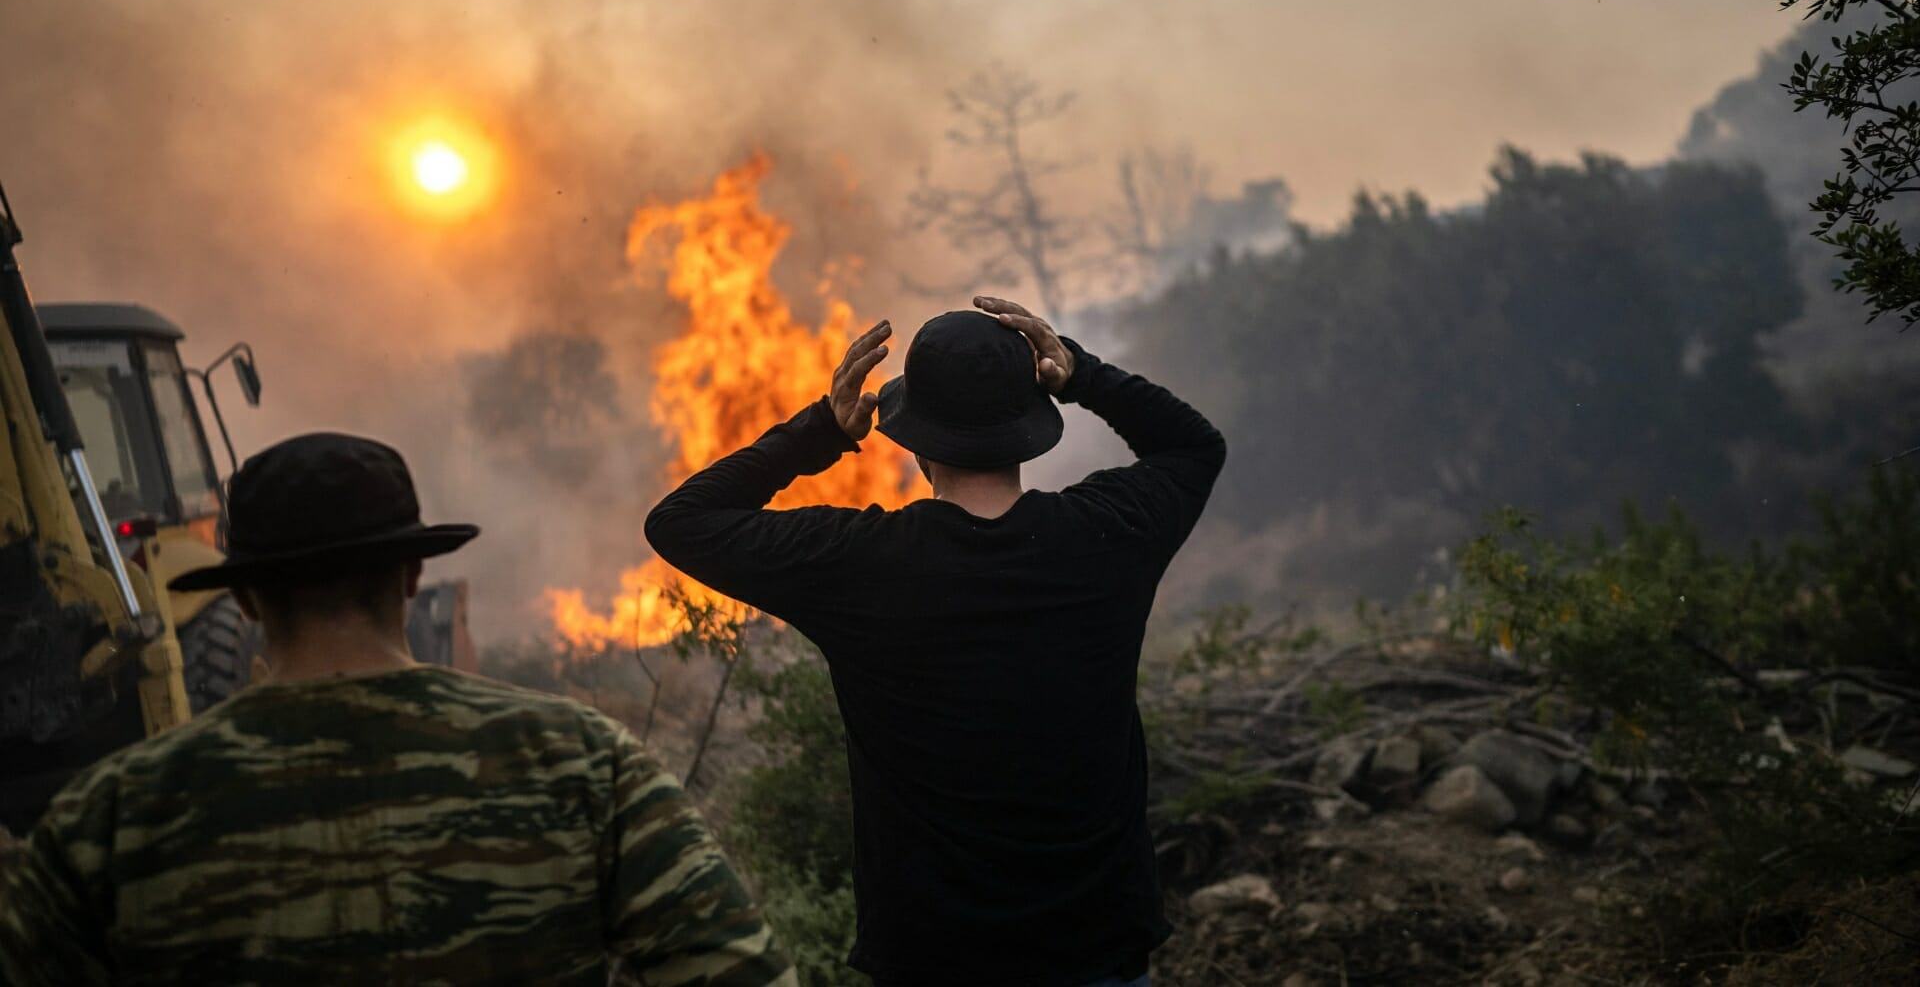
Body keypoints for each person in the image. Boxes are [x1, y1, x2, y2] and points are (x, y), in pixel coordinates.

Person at [0, 432, 794, 987]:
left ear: (241, 597)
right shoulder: (582, 764)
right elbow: (739, 971)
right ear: (414, 574)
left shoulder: (114, 817)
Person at [645, 296, 1227, 987]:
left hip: (934, 961)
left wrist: (820, 432)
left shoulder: (859, 564)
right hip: (1098, 951)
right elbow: (1194, 446)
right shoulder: (1107, 536)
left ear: (914, 438)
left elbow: (681, 521)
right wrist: (1082, 376)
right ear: (1031, 421)